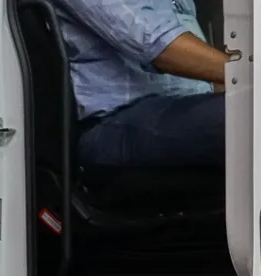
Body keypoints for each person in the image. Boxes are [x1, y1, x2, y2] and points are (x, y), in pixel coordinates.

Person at [52, 0, 231, 169]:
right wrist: (242, 73)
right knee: (241, 116)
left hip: (181, 105)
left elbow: (202, 71)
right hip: (115, 120)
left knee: (240, 108)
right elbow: (159, 45)